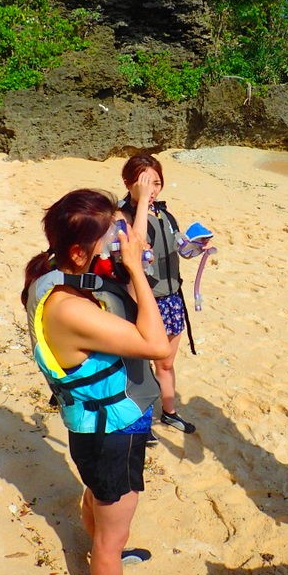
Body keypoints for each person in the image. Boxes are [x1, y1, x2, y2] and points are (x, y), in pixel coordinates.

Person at [21, 189, 170, 575]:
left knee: (97, 496)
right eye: (109, 241)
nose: (116, 248)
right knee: (113, 526)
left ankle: (108, 549)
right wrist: (138, 274)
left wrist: (130, 251)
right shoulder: (69, 308)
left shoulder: (59, 272)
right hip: (110, 431)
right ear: (79, 251)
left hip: (100, 426)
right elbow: (157, 346)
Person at [118, 153, 198, 439]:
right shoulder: (122, 216)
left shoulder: (164, 214)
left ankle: (169, 412)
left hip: (172, 299)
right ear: (129, 184)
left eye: (157, 183)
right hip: (143, 302)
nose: (152, 190)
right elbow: (135, 246)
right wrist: (139, 203)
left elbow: (177, 249)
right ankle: (140, 421)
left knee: (165, 363)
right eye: (145, 183)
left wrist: (195, 248)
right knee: (138, 367)